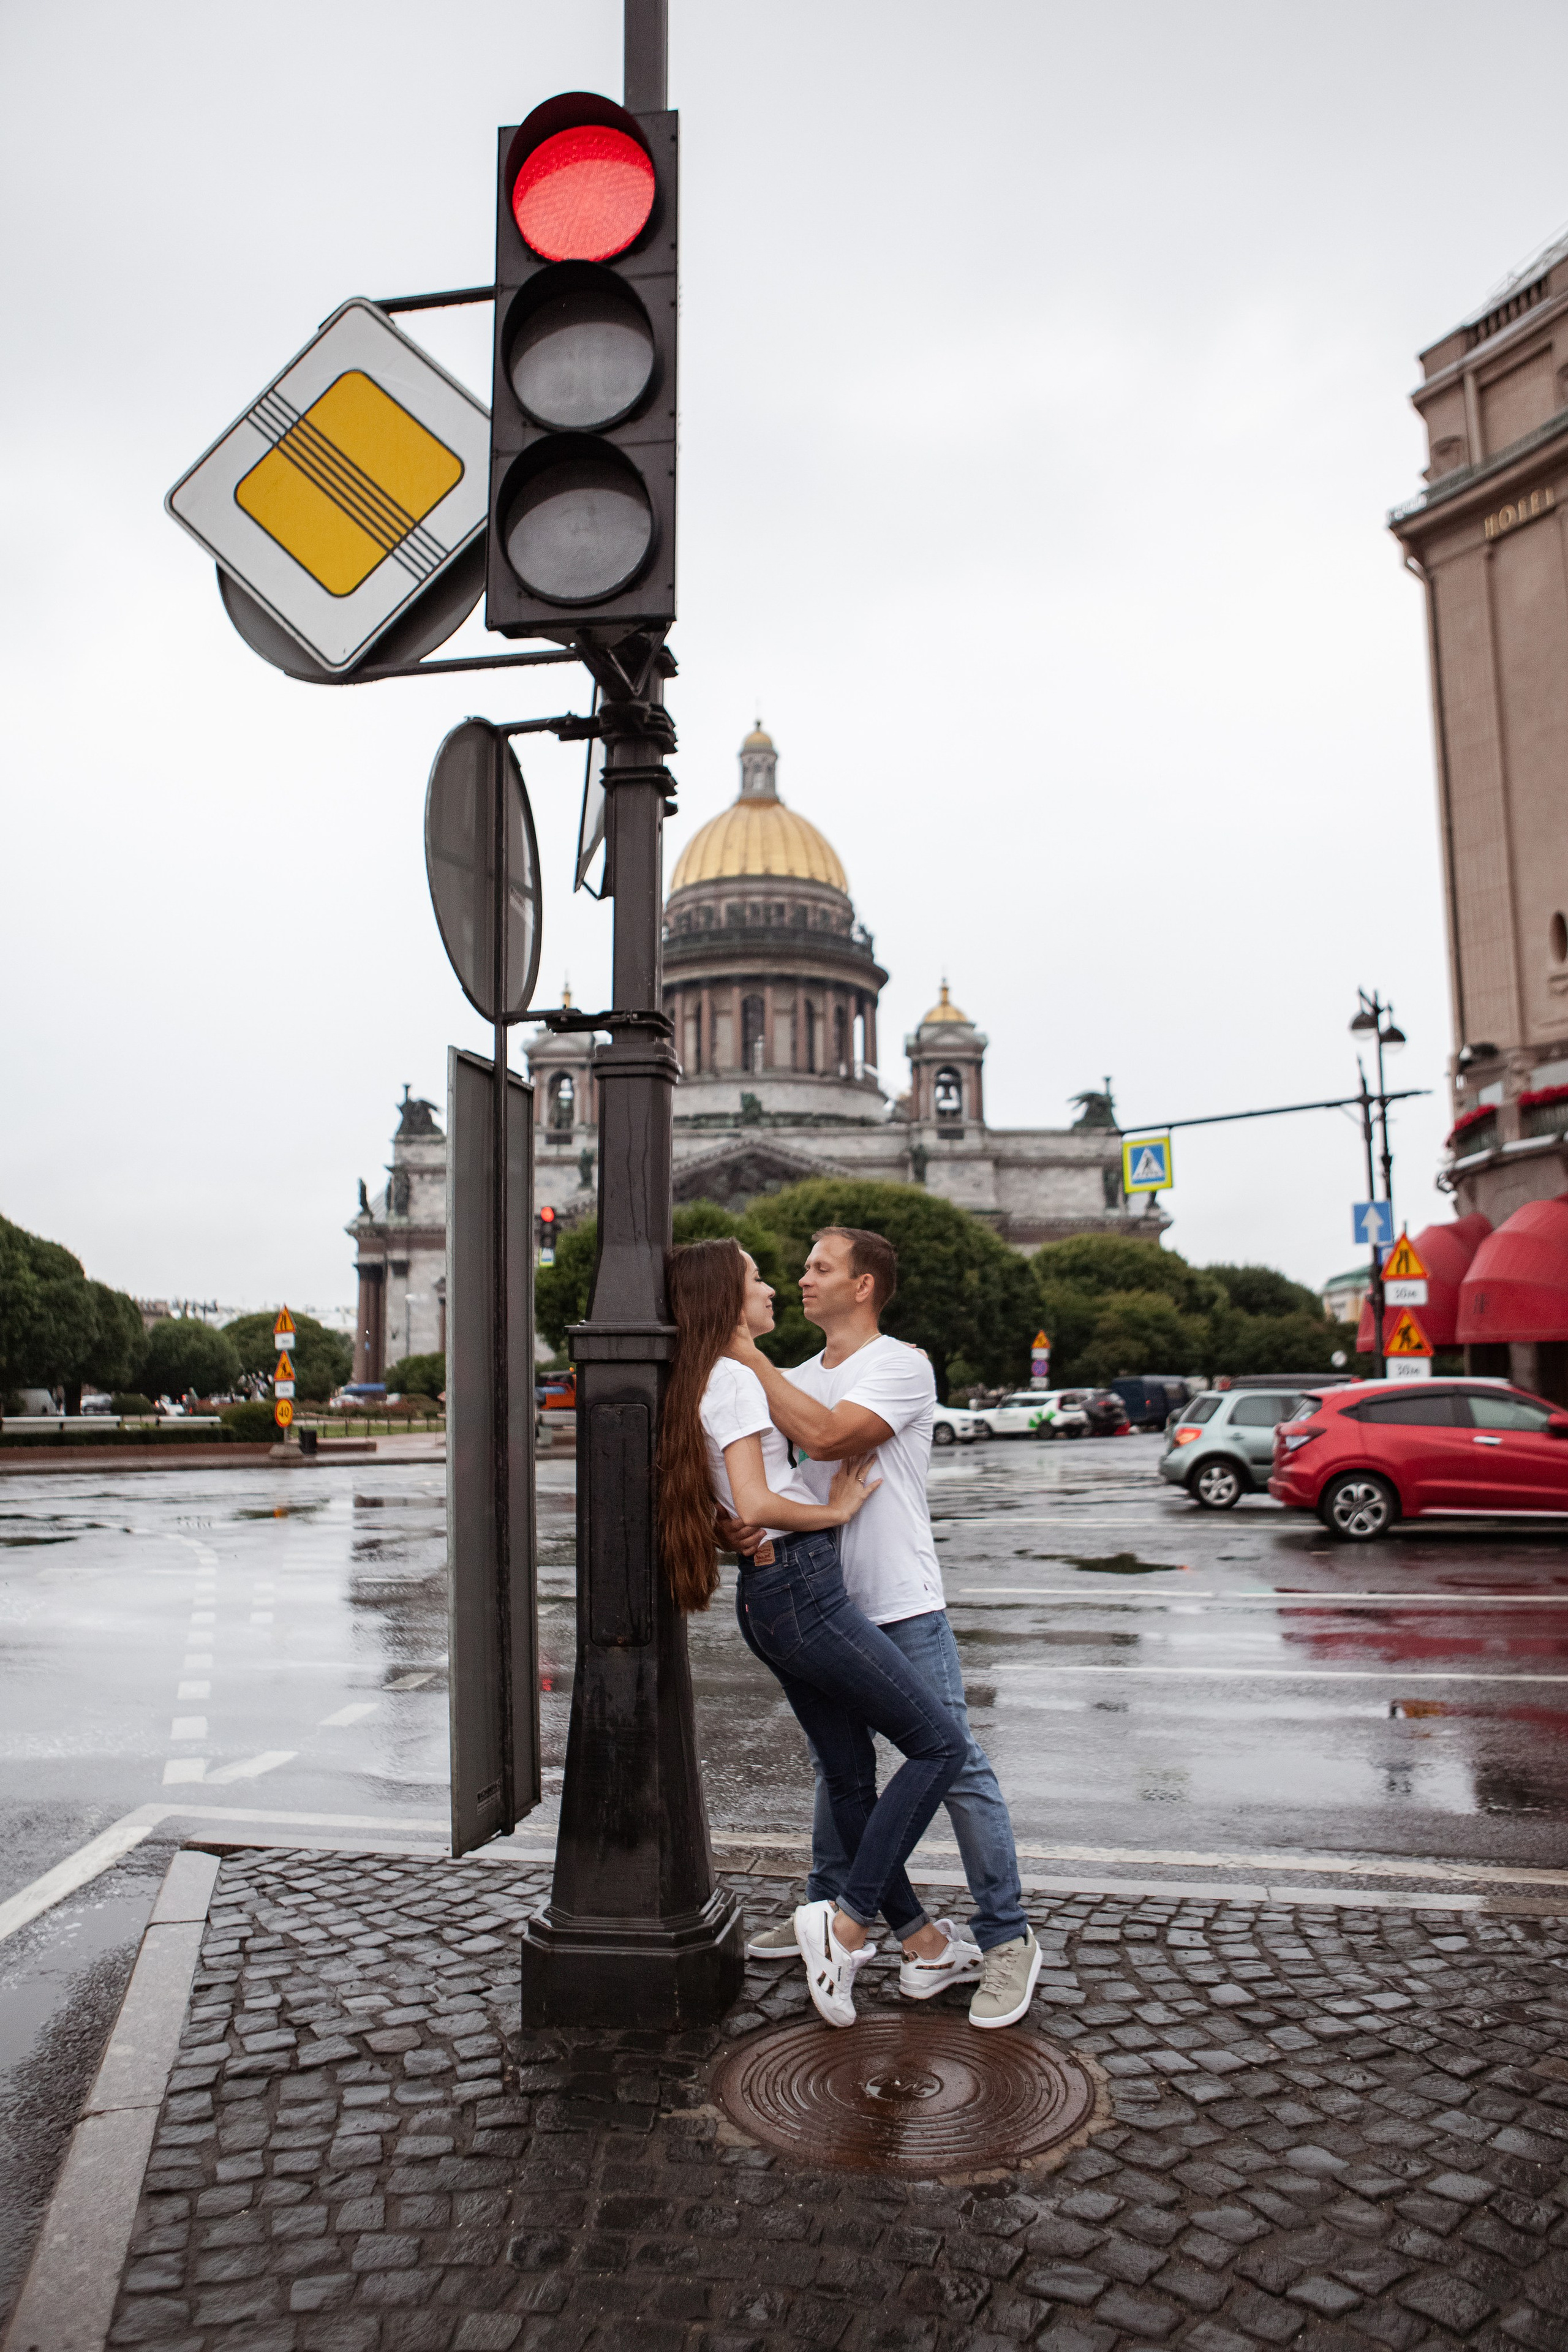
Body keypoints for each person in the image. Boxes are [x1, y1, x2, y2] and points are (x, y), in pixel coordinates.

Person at [723, 1224, 1042, 2030]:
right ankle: (829, 1911)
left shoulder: (900, 1365)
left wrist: (749, 1361)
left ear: (863, 1285)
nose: (802, 1279)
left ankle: (1007, 1940)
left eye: (820, 1268)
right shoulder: (788, 1373)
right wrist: (738, 1517)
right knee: (841, 1772)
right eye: (799, 1269)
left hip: (900, 1600)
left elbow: (829, 1436)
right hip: (822, 1603)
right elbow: (753, 1463)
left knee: (956, 1763)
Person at [659, 1237, 970, 2028]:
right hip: (802, 1589)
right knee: (940, 1747)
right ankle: (846, 1922)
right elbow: (764, 1499)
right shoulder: (731, 1379)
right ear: (728, 1304)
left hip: (777, 1594)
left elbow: (744, 1489)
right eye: (759, 1279)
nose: (779, 1288)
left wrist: (743, 1518)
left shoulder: (717, 1376)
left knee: (849, 1777)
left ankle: (926, 1943)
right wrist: (832, 1511)